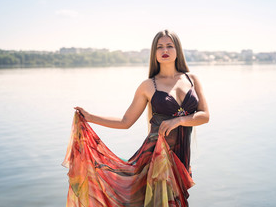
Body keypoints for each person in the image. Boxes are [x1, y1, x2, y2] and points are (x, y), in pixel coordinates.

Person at [63, 30, 210, 207]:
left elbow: (205, 116)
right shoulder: (148, 85)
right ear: (154, 53)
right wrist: (91, 117)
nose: (165, 50)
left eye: (169, 46)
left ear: (177, 49)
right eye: (159, 47)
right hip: (155, 158)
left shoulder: (192, 79)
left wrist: (178, 120)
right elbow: (126, 122)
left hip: (181, 158)